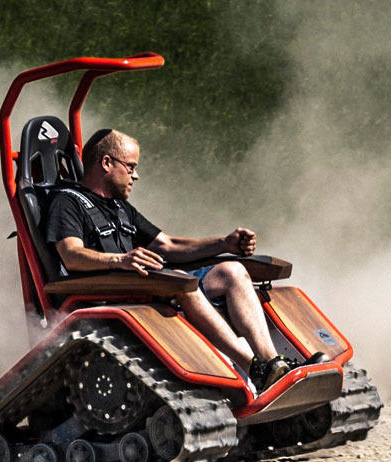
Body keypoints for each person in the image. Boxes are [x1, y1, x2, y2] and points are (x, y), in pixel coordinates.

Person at [45, 128, 291, 393]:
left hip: (144, 287)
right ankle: (255, 370)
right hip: (107, 293)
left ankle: (272, 363)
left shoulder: (120, 207)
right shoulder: (67, 203)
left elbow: (168, 245)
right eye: (130, 168)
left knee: (232, 270)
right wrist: (120, 260)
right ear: (106, 163)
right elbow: (71, 255)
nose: (135, 176)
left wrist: (224, 243)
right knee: (182, 284)